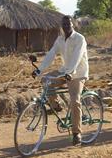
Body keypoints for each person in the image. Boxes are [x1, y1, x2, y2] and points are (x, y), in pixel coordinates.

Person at [33, 15, 88, 146]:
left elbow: (77, 56)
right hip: (65, 71)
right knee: (46, 80)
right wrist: (39, 70)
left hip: (78, 74)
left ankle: (77, 133)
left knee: (75, 101)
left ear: (73, 25)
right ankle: (56, 106)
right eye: (64, 25)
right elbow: (51, 55)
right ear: (61, 27)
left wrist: (71, 72)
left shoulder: (80, 39)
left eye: (68, 24)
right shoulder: (60, 39)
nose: (66, 27)